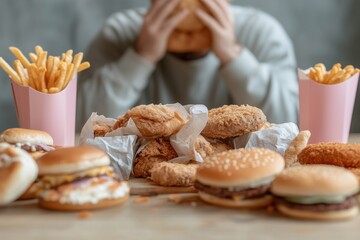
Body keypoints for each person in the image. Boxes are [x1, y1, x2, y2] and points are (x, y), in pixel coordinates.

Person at [77, 0, 298, 128]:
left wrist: (233, 55)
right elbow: (81, 126)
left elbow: (291, 125)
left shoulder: (261, 33)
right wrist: (140, 56)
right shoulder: (119, 33)